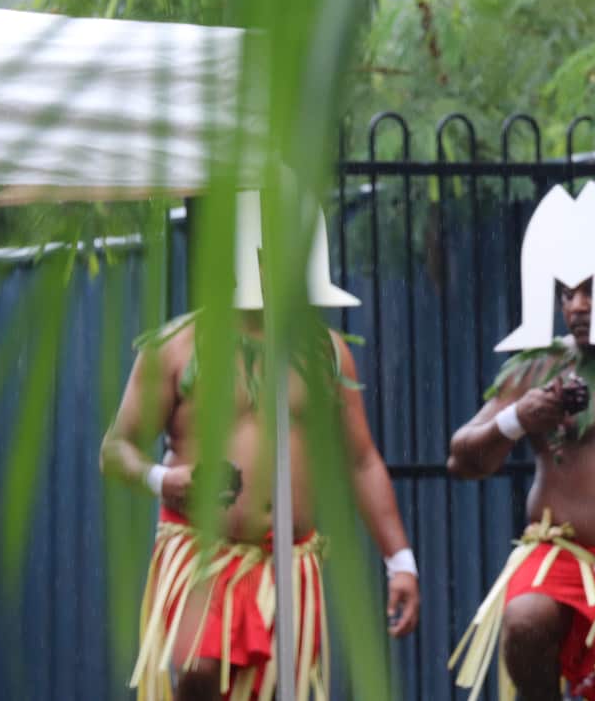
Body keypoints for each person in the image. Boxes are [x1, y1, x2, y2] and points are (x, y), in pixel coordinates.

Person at [100, 191, 419, 701]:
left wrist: (399, 560)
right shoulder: (175, 348)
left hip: (290, 562)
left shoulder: (324, 354)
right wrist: (166, 479)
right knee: (202, 668)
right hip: (200, 549)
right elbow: (115, 450)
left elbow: (360, 459)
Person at [447, 246, 595, 701]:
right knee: (525, 618)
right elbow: (462, 460)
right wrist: (517, 417)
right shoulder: (540, 367)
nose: (576, 305)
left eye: (591, 289)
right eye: (566, 293)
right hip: (562, 551)